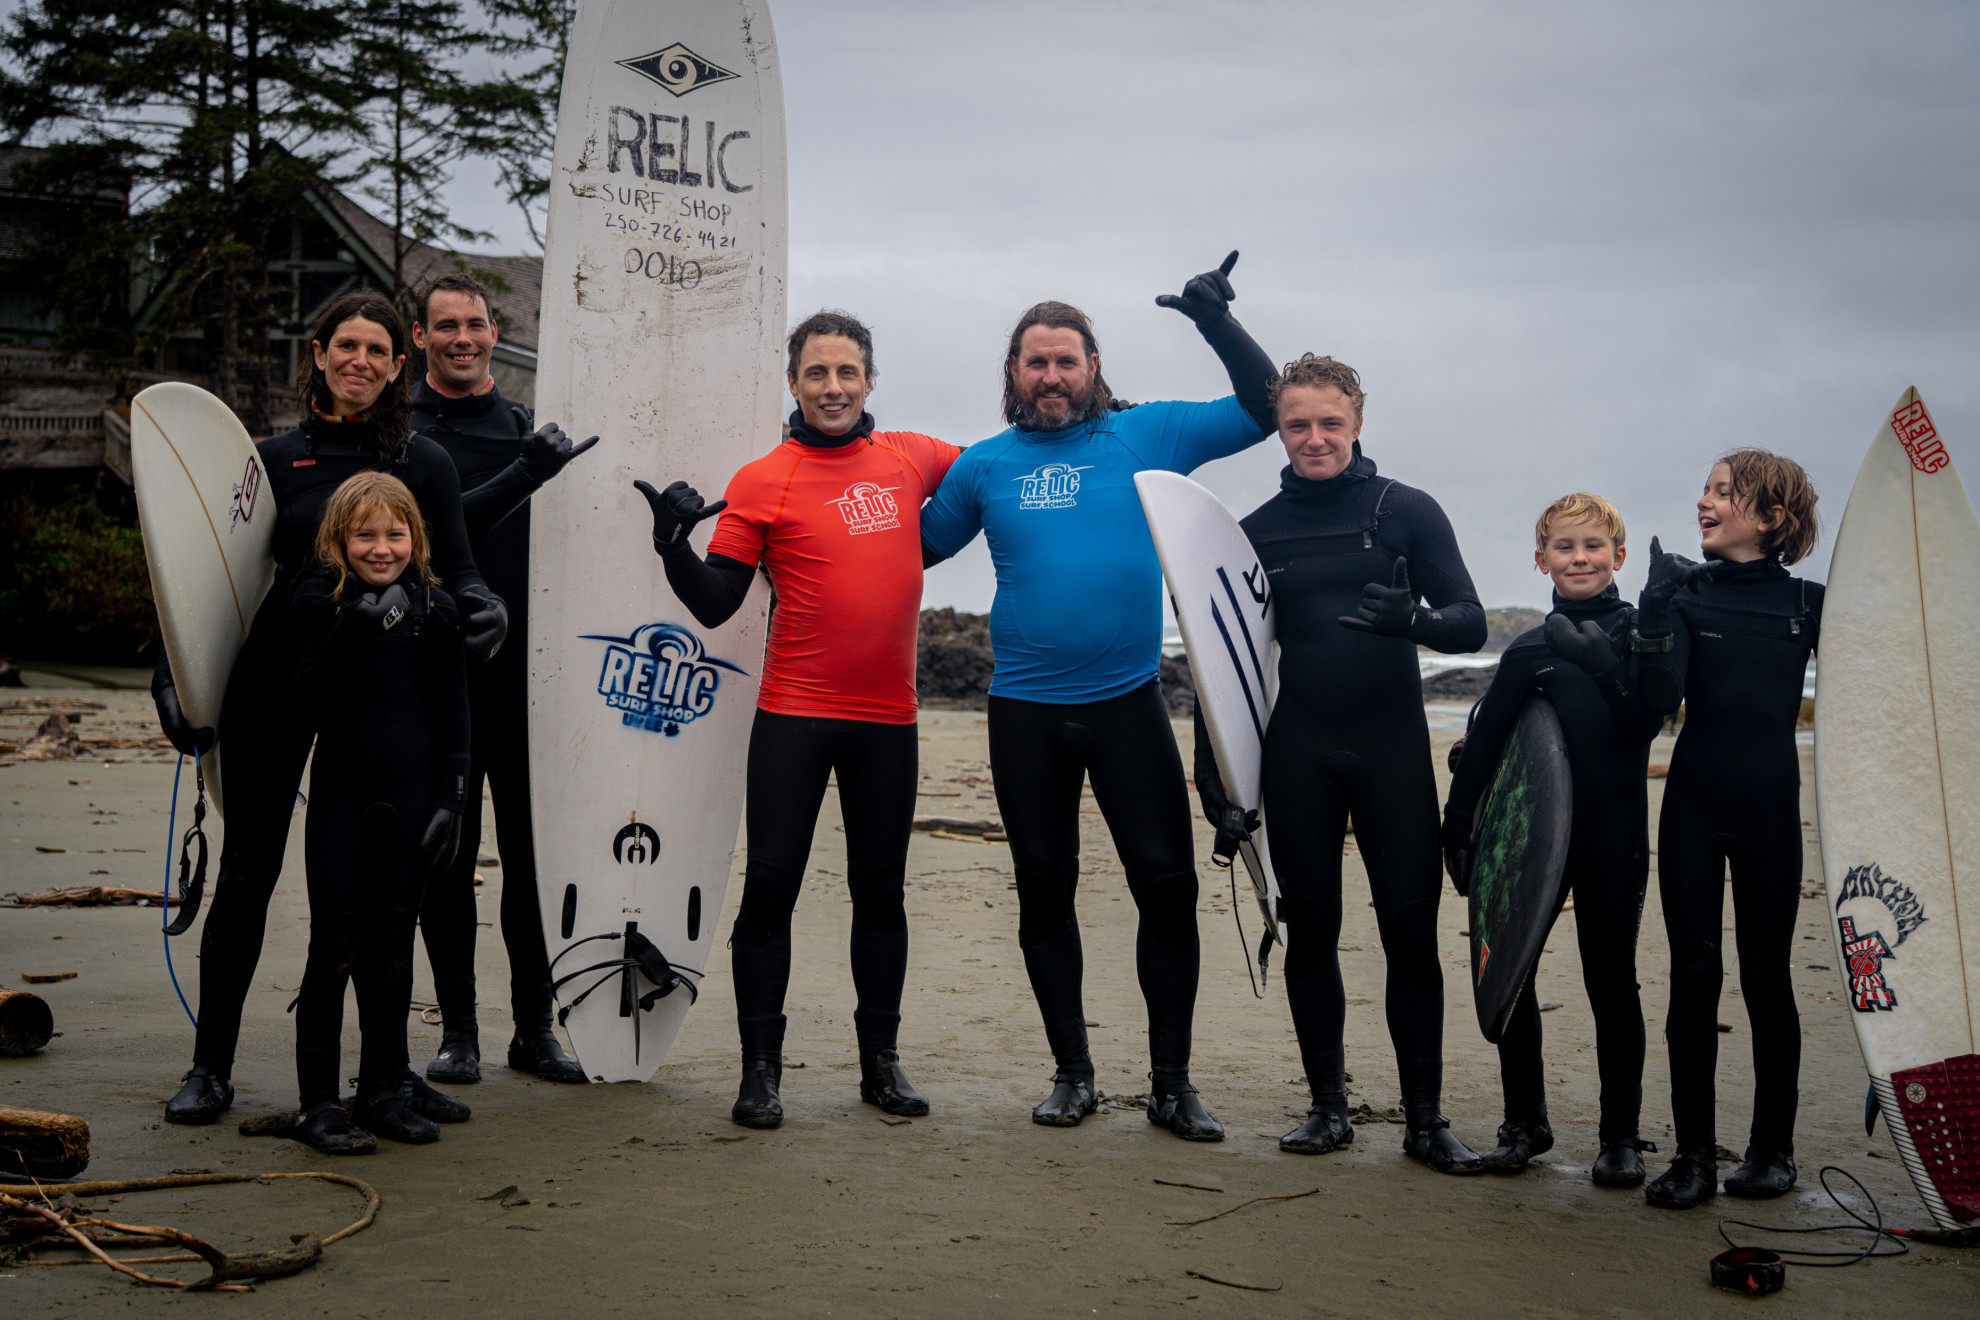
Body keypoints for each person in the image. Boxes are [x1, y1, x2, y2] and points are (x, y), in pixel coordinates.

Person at [918, 255, 1277, 1141]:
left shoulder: (1144, 436)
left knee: (1167, 884)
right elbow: (909, 550)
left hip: (1127, 705)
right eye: (1035, 362)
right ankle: (1072, 1075)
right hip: (1023, 713)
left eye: (1066, 361)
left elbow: (1264, 409)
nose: (1051, 377)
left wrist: (1216, 324)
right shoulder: (982, 467)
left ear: (1092, 368)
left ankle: (1171, 1084)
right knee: (1044, 889)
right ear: (1013, 372)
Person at [151, 290, 507, 1125]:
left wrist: (486, 605)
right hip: (284, 679)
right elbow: (198, 576)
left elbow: (456, 570)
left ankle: (387, 1073)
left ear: (398, 363)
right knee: (248, 874)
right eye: (346, 345)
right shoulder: (271, 459)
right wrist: (173, 674)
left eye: (379, 350)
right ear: (318, 352)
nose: (362, 362)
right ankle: (211, 1066)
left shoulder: (426, 463)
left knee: (391, 882)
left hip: (385, 695)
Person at [635, 310, 959, 1128]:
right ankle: (761, 1072)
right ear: (793, 383)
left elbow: (1005, 477)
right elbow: (715, 605)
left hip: (889, 717)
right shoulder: (763, 479)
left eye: (847, 372)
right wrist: (674, 545)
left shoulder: (915, 460)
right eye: (816, 373)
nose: (833, 387)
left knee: (880, 891)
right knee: (771, 887)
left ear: (870, 380)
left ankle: (880, 1065)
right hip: (795, 713)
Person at [1195, 354, 1488, 1172]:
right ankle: (1327, 1108)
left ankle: (1425, 1121)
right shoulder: (1254, 532)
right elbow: (1224, 659)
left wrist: (1415, 621)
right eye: (1297, 424)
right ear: (1280, 430)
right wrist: (1214, 770)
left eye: (1330, 423)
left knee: (1409, 934)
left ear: (1358, 424)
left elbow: (1469, 624)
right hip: (1302, 752)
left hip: (1391, 749)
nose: (1314, 438)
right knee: (1310, 931)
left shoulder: (1407, 512)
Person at [1442, 493, 1666, 1184]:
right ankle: (1524, 1123)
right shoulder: (1531, 650)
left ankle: (1620, 1138)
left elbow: (1643, 728)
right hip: (1535, 838)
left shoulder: (1639, 640)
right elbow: (1485, 747)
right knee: (1512, 974)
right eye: (1565, 548)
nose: (1580, 558)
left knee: (1611, 983)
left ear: (1618, 557)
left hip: (1613, 838)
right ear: (1542, 560)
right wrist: (1458, 824)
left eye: (1593, 547)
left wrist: (1604, 663)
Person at [408, 272, 597, 1086]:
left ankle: (533, 1029)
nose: (462, 337)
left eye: (475, 324)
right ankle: (459, 1035)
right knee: (446, 861)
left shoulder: (528, 430)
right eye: (445, 325)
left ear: (494, 333)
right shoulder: (403, 438)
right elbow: (425, 531)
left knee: (531, 863)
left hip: (529, 689)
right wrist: (527, 474)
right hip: (431, 685)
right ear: (419, 337)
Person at [1640, 450, 1822, 1209]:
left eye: (1724, 492)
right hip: (1694, 808)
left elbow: (1884, 693)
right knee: (1694, 974)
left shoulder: (1813, 604)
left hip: (1773, 808)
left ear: (1772, 517)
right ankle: (1692, 1158)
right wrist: (1652, 616)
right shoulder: (1687, 597)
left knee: (1768, 978)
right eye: (1706, 490)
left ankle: (1772, 1151)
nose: (1704, 502)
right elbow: (1654, 704)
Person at [287, 471, 473, 1152]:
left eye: (395, 533)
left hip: (415, 801)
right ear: (339, 539)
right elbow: (303, 695)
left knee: (394, 950)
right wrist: (351, 633)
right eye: (364, 534)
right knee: (335, 947)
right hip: (341, 799)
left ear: (415, 538)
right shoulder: (317, 599)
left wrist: (452, 805)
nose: (380, 546)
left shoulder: (437, 611)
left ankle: (383, 1090)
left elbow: (455, 718)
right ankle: (317, 1104)